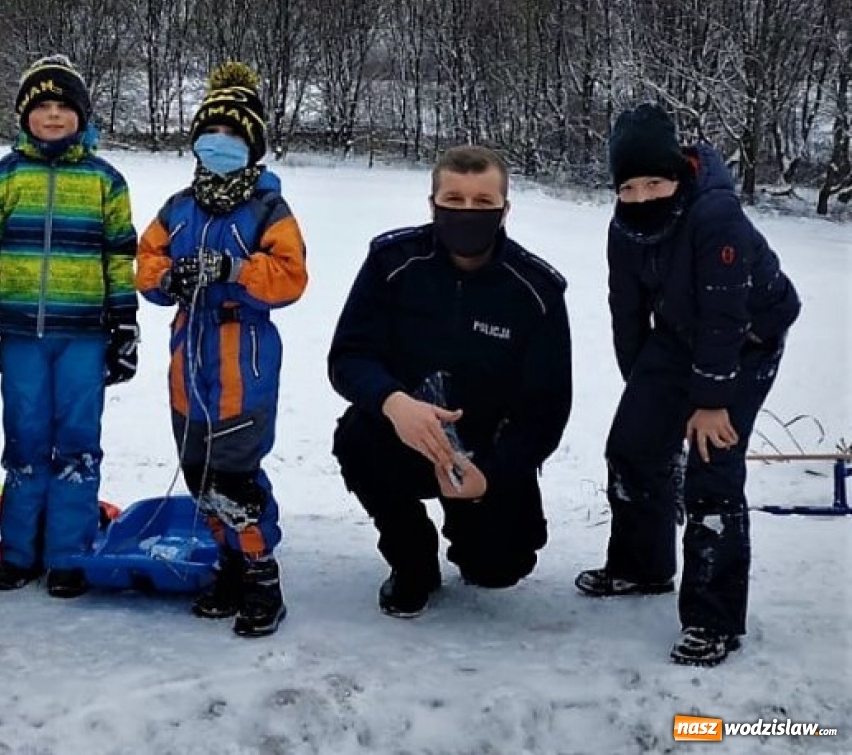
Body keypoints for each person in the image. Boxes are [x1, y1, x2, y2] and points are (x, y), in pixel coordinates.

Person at [576, 103, 800, 667]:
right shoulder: (624, 227)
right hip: (679, 332)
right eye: (629, 187)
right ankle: (641, 567)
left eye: (655, 183)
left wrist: (710, 402)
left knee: (711, 467)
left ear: (677, 174)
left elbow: (725, 314)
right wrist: (643, 394)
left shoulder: (715, 215)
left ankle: (713, 618)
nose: (642, 197)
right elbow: (627, 310)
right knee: (632, 444)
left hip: (747, 335)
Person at [329, 145, 572, 620]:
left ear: (504, 209)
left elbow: (547, 409)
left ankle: (471, 526)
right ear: (433, 204)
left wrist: (490, 477)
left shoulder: (535, 290)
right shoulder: (392, 262)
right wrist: (393, 402)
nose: (467, 212)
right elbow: (349, 356)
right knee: (356, 439)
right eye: (454, 200)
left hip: (485, 453)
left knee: (498, 569)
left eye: (483, 202)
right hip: (405, 434)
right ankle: (411, 558)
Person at [134, 63, 308, 637]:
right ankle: (229, 563)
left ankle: (260, 575)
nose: (219, 143)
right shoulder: (179, 205)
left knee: (234, 474)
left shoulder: (267, 209)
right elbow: (146, 260)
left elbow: (290, 276)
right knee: (198, 469)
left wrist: (235, 269)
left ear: (252, 145)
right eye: (210, 132)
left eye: (232, 134)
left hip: (242, 352)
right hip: (188, 351)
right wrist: (169, 279)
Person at [0, 55, 138, 598]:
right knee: (26, 437)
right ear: (24, 116)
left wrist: (125, 325)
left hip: (84, 334)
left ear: (82, 115)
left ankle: (68, 553)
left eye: (65, 106)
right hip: (21, 335)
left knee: (78, 440)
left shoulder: (106, 181)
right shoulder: (4, 177)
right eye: (43, 107)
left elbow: (119, 258)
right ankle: (19, 552)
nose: (54, 115)